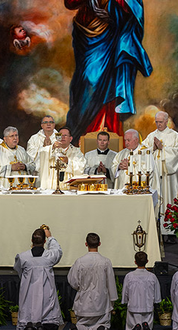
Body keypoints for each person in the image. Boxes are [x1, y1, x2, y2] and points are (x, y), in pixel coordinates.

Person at [64, 0, 152, 144]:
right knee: (86, 81)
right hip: (86, 33)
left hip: (111, 33)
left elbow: (132, 6)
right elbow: (70, 3)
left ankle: (108, 132)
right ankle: (80, 134)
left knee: (110, 83)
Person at [14, 227, 63, 330]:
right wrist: (50, 237)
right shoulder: (49, 256)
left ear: (31, 241)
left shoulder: (23, 257)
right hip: (46, 297)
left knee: (28, 312)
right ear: (45, 241)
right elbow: (57, 250)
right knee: (48, 318)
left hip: (29, 294)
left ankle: (30, 324)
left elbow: (18, 270)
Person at [68, 233, 118, 330]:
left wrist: (80, 288)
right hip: (101, 302)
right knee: (102, 324)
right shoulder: (106, 262)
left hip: (84, 301)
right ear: (99, 244)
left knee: (82, 324)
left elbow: (73, 281)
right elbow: (111, 283)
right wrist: (112, 301)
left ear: (86, 244)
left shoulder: (80, 262)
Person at [142, 111, 178, 236]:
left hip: (169, 176)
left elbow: (176, 153)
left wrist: (163, 149)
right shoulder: (151, 136)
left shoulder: (174, 136)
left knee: (169, 200)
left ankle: (171, 231)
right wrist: (152, 148)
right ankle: (157, 231)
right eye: (156, 122)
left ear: (167, 121)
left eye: (161, 122)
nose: (158, 124)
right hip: (155, 175)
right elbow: (142, 151)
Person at [121, 251, 161, 330]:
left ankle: (137, 326)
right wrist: (156, 301)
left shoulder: (129, 276)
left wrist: (125, 301)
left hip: (133, 308)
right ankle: (145, 326)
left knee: (133, 326)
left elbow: (125, 293)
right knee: (147, 325)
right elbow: (157, 294)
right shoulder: (152, 277)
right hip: (147, 308)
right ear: (147, 261)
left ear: (135, 262)